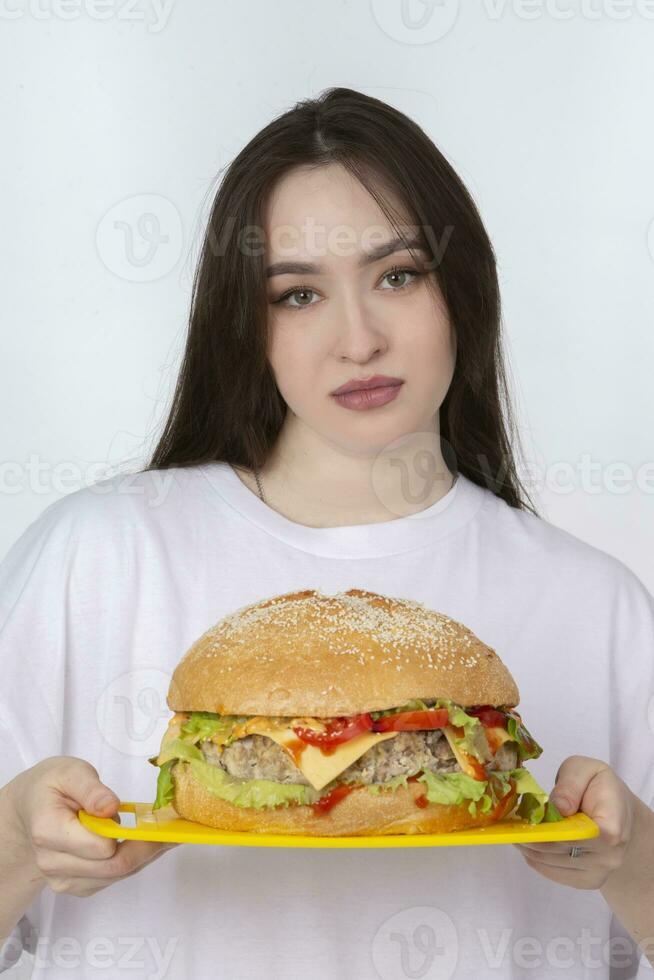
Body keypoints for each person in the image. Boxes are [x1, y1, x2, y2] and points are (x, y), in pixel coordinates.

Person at [1, 86, 653, 980]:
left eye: (397, 275)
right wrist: (17, 839)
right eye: (299, 294)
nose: (358, 339)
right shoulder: (99, 556)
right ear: (247, 323)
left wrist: (636, 857)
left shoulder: (594, 601)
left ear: (461, 289)